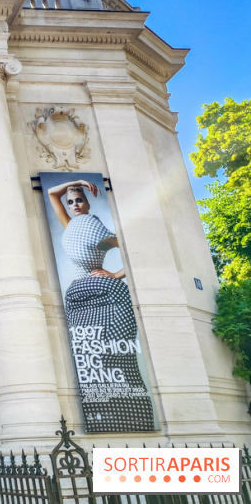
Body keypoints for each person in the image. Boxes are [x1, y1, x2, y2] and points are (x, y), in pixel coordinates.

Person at [47, 179, 154, 431]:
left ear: (87, 202)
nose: (74, 205)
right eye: (71, 201)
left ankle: (134, 418)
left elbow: (137, 251)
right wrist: (79, 181)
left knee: (115, 360)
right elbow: (52, 193)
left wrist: (116, 274)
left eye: (79, 200)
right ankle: (108, 417)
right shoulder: (70, 225)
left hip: (107, 297)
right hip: (80, 298)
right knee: (90, 361)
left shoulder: (97, 229)